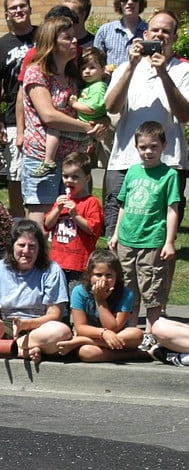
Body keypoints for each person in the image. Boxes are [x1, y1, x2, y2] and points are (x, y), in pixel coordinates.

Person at [102, 10, 189, 239]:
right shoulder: (125, 67)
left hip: (167, 165)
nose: (160, 36)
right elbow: (111, 107)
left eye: (166, 31)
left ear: (175, 37)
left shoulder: (183, 70)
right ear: (146, 33)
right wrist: (131, 66)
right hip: (124, 163)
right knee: (117, 235)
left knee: (160, 238)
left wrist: (163, 73)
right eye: (155, 30)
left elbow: (185, 114)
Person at [20, 17, 101, 228]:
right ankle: (34, 260)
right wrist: (86, 128)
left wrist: (100, 123)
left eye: (75, 36)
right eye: (68, 37)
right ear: (52, 42)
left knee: (70, 215)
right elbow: (49, 115)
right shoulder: (37, 72)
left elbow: (92, 107)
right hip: (42, 158)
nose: (75, 41)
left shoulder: (74, 76)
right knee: (41, 215)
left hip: (73, 158)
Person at [109, 121, 179, 344]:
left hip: (152, 240)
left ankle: (151, 333)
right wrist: (116, 234)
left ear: (164, 146)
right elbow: (123, 205)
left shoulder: (169, 175)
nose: (148, 152)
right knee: (128, 287)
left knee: (152, 288)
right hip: (127, 239)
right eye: (143, 147)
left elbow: (172, 209)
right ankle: (132, 331)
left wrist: (168, 241)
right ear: (136, 147)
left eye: (153, 147)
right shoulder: (131, 172)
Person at [0, 219, 71, 362]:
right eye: (21, 245)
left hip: (38, 327)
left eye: (32, 246)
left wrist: (26, 324)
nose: (26, 251)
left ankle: (6, 348)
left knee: (61, 332)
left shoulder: (52, 270)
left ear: (39, 249)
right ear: (12, 246)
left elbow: (54, 315)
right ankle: (22, 351)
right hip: (6, 326)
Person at [0, 0, 36, 218]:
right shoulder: (1, 46)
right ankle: (18, 222)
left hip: (44, 115)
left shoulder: (43, 36)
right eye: (13, 8)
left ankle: (41, 223)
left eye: (22, 6)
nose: (18, 10)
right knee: (16, 173)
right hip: (13, 119)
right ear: (7, 14)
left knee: (40, 171)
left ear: (30, 8)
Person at [55, 250, 145, 362]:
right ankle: (135, 355)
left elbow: (113, 327)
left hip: (119, 337)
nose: (103, 280)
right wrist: (103, 333)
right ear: (89, 275)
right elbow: (81, 328)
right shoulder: (79, 292)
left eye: (109, 275)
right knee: (86, 353)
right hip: (92, 336)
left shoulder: (126, 294)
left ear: (117, 276)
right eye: (98, 275)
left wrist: (100, 300)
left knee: (136, 334)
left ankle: (80, 341)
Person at [32, 47, 107, 178]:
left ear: (102, 69)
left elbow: (92, 108)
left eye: (92, 68)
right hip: (85, 128)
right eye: (83, 68)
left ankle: (48, 161)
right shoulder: (89, 86)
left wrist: (74, 104)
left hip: (85, 128)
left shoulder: (99, 87)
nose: (87, 72)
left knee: (54, 129)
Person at [44, 151, 103, 290]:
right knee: (58, 300)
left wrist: (75, 215)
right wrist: (57, 210)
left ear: (87, 178)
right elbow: (47, 224)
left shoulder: (91, 202)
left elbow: (93, 229)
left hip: (79, 264)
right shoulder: (61, 201)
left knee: (76, 299)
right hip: (57, 261)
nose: (69, 180)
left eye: (75, 177)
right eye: (65, 176)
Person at [93, 0, 147, 69]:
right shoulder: (105, 30)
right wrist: (104, 70)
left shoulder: (149, 31)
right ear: (119, 3)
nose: (130, 2)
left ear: (141, 3)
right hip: (112, 81)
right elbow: (95, 61)